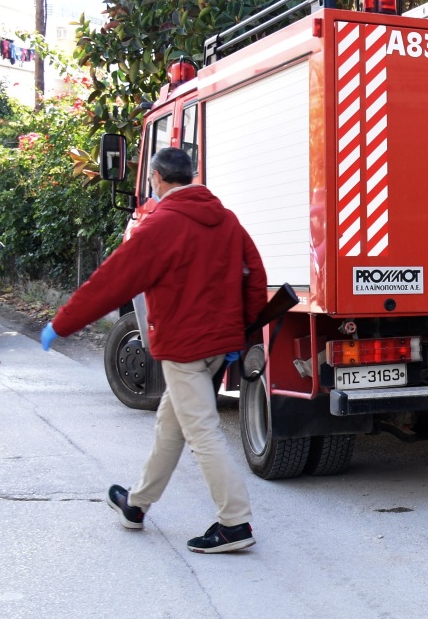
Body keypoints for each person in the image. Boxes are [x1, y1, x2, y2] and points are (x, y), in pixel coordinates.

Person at [41, 147, 267, 554]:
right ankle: (137, 505)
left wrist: (62, 324)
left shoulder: (160, 224)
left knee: (202, 431)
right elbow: (255, 276)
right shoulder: (227, 220)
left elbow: (112, 281)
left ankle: (234, 523)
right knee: (171, 424)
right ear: (191, 176)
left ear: (158, 178)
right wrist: (245, 333)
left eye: (151, 181)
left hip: (183, 348)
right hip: (218, 347)